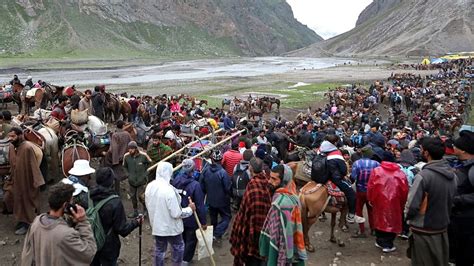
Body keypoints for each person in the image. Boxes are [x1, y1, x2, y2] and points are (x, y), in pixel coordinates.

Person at [405, 137, 456, 266]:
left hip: (424, 230)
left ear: (426, 153)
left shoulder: (423, 176)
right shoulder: (453, 175)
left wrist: (407, 218)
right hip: (442, 227)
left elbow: (411, 206)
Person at [21, 183, 97, 265]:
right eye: (72, 201)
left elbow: (27, 256)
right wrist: (82, 222)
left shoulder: (36, 222)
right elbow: (89, 252)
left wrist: (72, 222)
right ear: (66, 205)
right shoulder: (66, 234)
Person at [145, 161, 196, 266]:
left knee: (159, 249)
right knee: (178, 247)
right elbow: (176, 213)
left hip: (157, 226)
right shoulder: (168, 191)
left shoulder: (150, 186)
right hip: (171, 228)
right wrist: (190, 209)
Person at [90, 167, 143, 266]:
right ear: (111, 182)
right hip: (108, 245)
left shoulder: (89, 196)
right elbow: (122, 229)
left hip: (91, 240)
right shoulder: (115, 202)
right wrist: (136, 222)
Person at [259, 164, 307, 265]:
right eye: (270, 177)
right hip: (292, 246)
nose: (269, 181)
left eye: (274, 179)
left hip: (282, 250)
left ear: (284, 181)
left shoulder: (279, 204)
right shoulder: (294, 197)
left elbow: (275, 234)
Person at [230, 157, 272, 265]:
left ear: (250, 168)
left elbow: (244, 212)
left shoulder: (252, 186)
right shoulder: (268, 183)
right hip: (266, 230)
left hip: (253, 231)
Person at [367, 153, 408, 253]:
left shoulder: (376, 171)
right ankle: (388, 244)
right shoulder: (401, 173)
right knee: (392, 221)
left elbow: (371, 186)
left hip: (379, 200)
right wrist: (402, 203)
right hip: (395, 201)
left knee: (379, 219)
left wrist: (370, 199)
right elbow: (404, 190)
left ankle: (380, 241)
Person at [8, 127, 44, 235]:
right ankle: (22, 221)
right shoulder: (13, 147)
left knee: (28, 202)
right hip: (17, 181)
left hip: (27, 182)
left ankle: (29, 224)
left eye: (13, 136)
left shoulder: (27, 148)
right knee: (18, 201)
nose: (10, 139)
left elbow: (34, 165)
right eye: (9, 136)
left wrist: (37, 182)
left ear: (19, 136)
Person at [320, 137, 364, 224]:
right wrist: (343, 175)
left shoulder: (321, 151)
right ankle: (351, 216)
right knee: (352, 194)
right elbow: (343, 170)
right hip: (335, 178)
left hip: (323, 177)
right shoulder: (337, 155)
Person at [172, 159, 206, 264]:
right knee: (191, 241)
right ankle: (185, 260)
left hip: (179, 215)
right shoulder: (195, 185)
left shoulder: (176, 180)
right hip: (191, 218)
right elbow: (200, 206)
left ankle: (179, 257)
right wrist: (203, 221)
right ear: (193, 170)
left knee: (181, 239)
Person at [449, 130, 474, 265]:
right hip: (458, 220)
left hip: (468, 223)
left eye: (456, 146)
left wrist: (458, 200)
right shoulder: (460, 164)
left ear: (464, 151)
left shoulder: (472, 170)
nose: (454, 148)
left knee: (465, 255)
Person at [200, 150, 232, 245]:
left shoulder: (205, 171)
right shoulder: (223, 173)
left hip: (211, 200)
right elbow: (227, 188)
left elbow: (201, 185)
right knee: (227, 217)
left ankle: (214, 234)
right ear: (221, 160)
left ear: (212, 159)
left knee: (213, 219)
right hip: (222, 201)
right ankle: (216, 234)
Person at [350, 145, 380, 237]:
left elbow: (353, 177)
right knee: (371, 210)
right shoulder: (376, 164)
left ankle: (361, 230)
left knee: (359, 210)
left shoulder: (357, 163)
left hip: (360, 190)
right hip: (372, 191)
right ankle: (373, 229)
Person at [123, 141, 151, 218]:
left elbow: (150, 163)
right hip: (131, 181)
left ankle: (145, 209)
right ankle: (135, 211)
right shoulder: (126, 156)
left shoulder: (143, 156)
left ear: (135, 149)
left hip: (141, 181)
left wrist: (145, 174)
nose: (130, 151)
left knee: (141, 196)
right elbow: (124, 166)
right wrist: (128, 175)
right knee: (133, 197)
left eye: (131, 149)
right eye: (129, 149)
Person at [103, 120, 132, 195]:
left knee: (114, 174)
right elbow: (131, 144)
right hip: (124, 157)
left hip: (116, 158)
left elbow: (113, 148)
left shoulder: (115, 135)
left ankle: (115, 191)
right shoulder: (127, 134)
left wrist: (112, 157)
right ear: (123, 126)